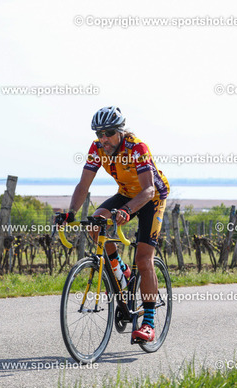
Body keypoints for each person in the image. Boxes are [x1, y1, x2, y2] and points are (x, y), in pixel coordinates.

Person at [58, 106, 170, 342]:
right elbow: (83, 185)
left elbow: (149, 190)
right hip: (126, 194)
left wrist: (128, 210)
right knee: (95, 223)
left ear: (120, 131)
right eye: (99, 133)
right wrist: (70, 213)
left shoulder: (137, 148)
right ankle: (121, 270)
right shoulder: (97, 149)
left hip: (151, 198)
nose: (104, 138)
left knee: (143, 259)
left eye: (108, 132)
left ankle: (148, 323)